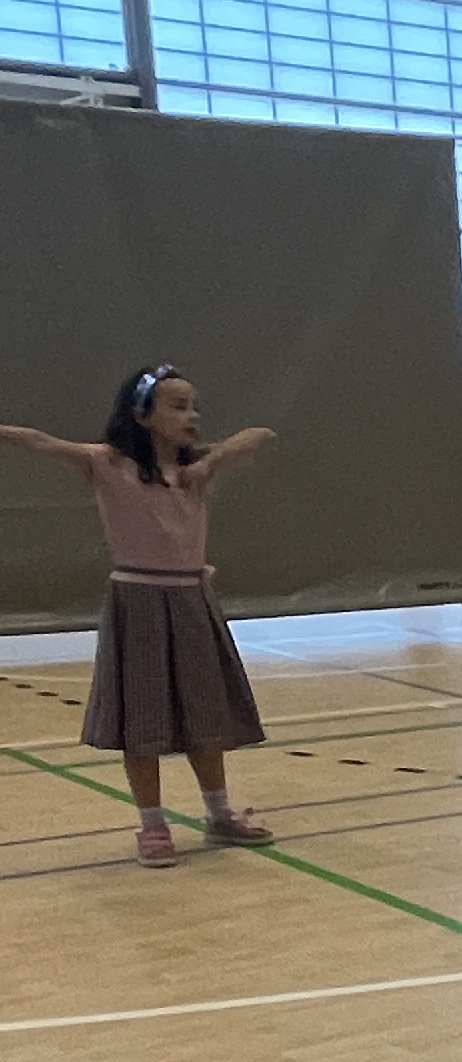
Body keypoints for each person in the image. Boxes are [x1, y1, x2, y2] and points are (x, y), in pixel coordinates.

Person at [0, 365, 276, 864]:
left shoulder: (197, 467)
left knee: (204, 715)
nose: (191, 416)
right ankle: (152, 825)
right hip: (139, 601)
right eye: (177, 406)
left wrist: (210, 463)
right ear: (141, 415)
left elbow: (259, 435)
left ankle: (219, 814)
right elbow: (37, 442)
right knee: (142, 720)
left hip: (191, 600)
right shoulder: (107, 463)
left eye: (194, 407)